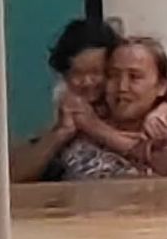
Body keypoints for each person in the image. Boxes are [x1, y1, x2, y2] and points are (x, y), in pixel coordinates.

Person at [53, 36, 167, 181]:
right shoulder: (85, 144)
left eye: (134, 77)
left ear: (161, 86)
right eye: (113, 76)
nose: (122, 87)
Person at [10, 19, 121, 183]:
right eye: (78, 74)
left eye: (97, 72)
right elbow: (12, 176)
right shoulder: (64, 125)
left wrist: (94, 126)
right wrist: (60, 134)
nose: (88, 82)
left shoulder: (136, 115)